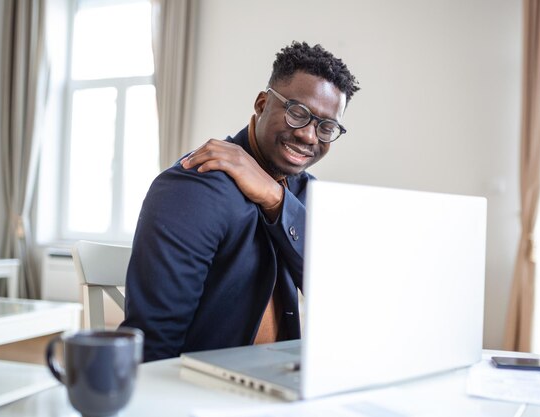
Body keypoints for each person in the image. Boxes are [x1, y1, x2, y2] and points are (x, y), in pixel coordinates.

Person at [121, 41, 360, 362]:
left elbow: (342, 297)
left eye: (327, 126)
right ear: (262, 104)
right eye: (297, 113)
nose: (309, 136)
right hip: (205, 393)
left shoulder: (306, 193)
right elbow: (156, 346)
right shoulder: (193, 187)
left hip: (286, 381)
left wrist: (275, 198)